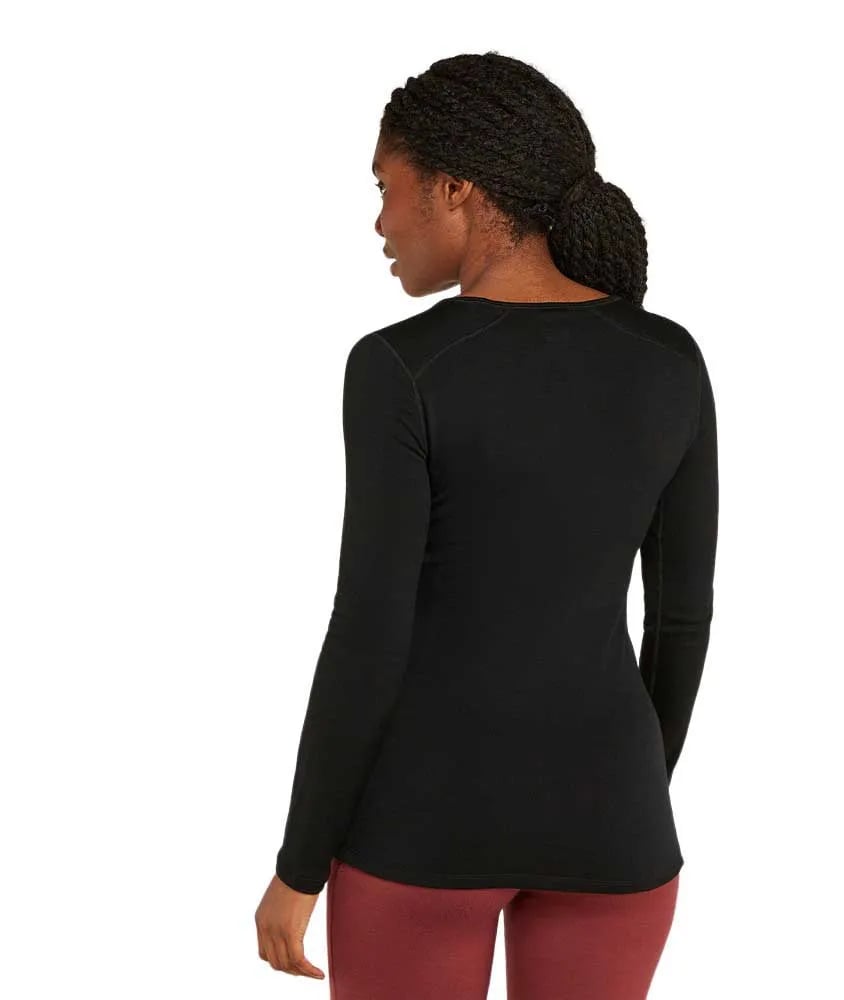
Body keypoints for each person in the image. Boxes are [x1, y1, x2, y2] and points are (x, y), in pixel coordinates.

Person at [255, 51, 719, 1000]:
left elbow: (370, 628)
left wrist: (299, 866)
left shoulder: (399, 367)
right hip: (613, 828)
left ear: (456, 187)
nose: (380, 222)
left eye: (386, 188)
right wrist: (624, 790)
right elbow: (681, 620)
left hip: (422, 828)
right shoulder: (669, 359)